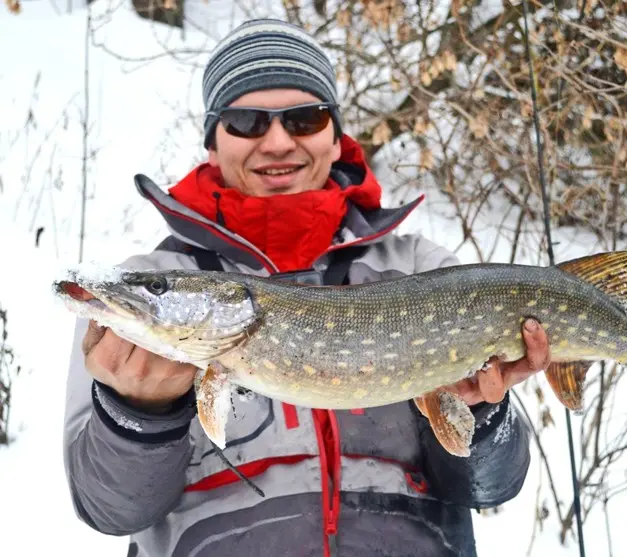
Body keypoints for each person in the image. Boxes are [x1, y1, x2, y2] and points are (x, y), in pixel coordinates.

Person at [62, 18, 551, 557]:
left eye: (304, 118)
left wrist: (480, 414)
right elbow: (108, 510)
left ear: (336, 138)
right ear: (211, 142)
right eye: (245, 121)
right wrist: (137, 416)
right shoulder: (141, 296)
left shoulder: (419, 271)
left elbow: (489, 486)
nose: (276, 142)